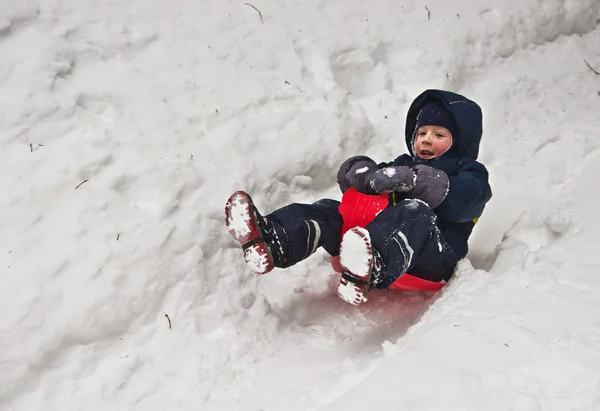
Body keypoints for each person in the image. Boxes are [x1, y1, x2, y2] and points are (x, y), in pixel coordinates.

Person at [225, 89, 492, 305]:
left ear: (459, 141)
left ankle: (371, 264)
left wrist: (415, 181)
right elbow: (373, 180)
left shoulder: (469, 172)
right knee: (331, 211)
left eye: (439, 134)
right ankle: (275, 240)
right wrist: (361, 172)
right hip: (372, 246)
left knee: (415, 212)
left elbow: (467, 201)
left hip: (432, 259)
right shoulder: (402, 163)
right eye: (421, 133)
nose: (426, 140)